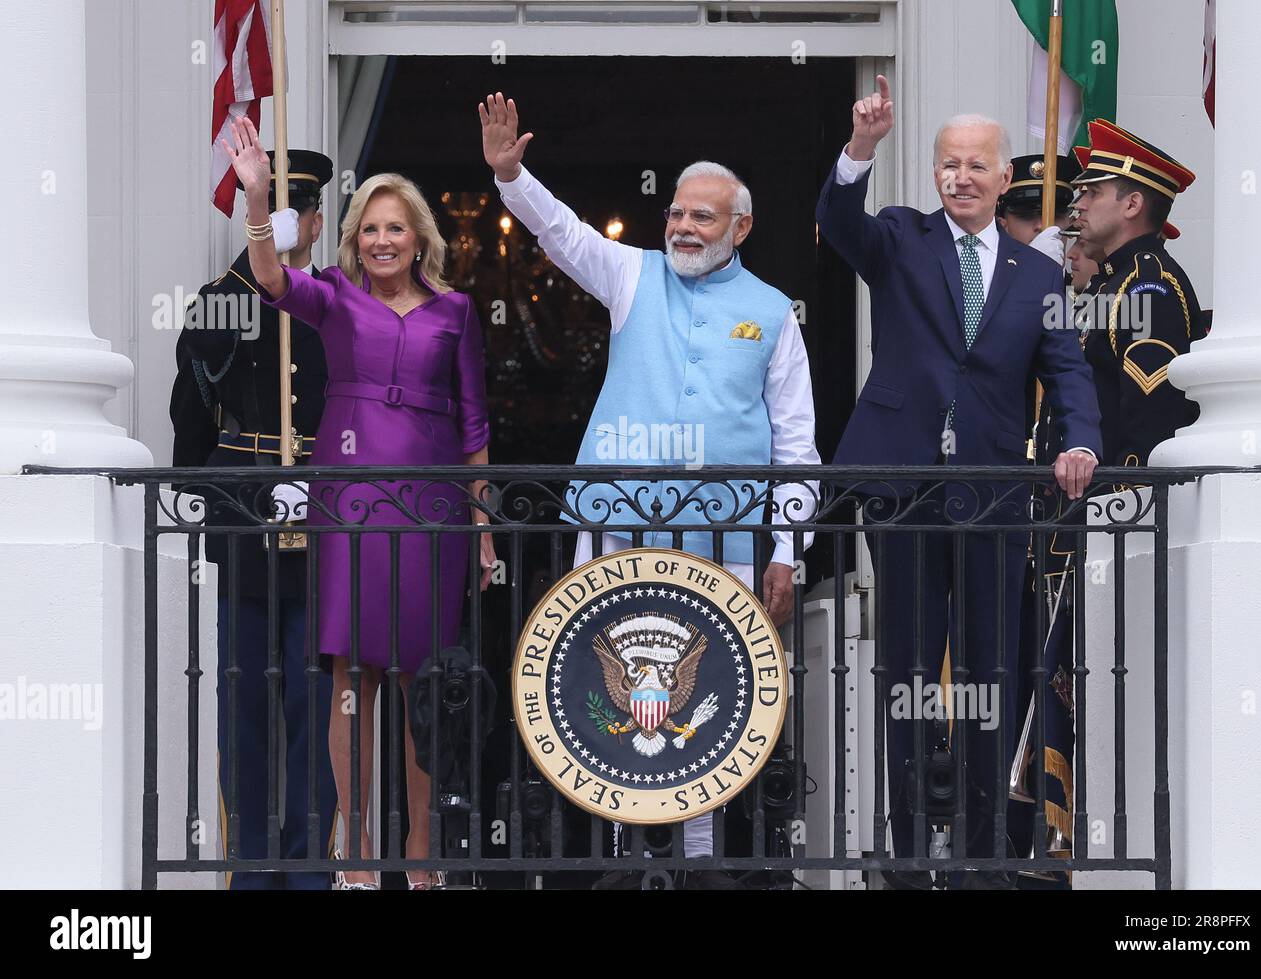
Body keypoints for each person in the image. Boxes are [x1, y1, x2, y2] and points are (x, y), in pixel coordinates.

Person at [480, 92, 819, 888]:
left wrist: (788, 552)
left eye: (703, 216)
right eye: (675, 213)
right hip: (621, 533)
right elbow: (559, 231)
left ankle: (696, 865)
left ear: (740, 227)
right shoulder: (633, 273)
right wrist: (509, 176)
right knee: (619, 698)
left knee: (708, 709)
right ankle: (631, 861)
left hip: (726, 544)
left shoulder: (773, 313)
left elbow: (797, 443)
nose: (684, 228)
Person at [815, 75, 1102, 888]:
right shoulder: (900, 237)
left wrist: (1079, 440)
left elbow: (1069, 373)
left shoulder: (1039, 277)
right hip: (903, 485)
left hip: (992, 492)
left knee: (991, 672)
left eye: (978, 165)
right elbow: (838, 222)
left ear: (1004, 178)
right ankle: (907, 855)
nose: (962, 177)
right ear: (935, 171)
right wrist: (860, 148)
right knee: (907, 671)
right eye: (949, 164)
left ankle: (983, 854)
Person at [221, 117, 496, 890]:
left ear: (419, 238)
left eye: (395, 228)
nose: (381, 241)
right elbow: (274, 281)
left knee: (420, 677)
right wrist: (256, 199)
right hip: (349, 498)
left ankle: (421, 852)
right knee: (350, 674)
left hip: (433, 503)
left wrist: (481, 526)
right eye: (369, 228)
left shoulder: (458, 311)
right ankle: (356, 851)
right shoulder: (334, 297)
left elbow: (474, 423)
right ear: (355, 238)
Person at [170, 149, 337, 890]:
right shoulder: (222, 298)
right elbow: (192, 413)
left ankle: (308, 866)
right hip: (244, 512)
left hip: (321, 513)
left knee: (311, 694)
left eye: (297, 207)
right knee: (242, 694)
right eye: (275, 204)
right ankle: (250, 863)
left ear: (319, 220)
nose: (289, 218)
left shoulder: (334, 300)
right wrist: (207, 491)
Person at [1071, 119, 1206, 467]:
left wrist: (1127, 496)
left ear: (1132, 205)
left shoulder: (1149, 285)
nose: (1080, 204)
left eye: (1093, 192)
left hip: (1118, 509)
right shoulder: (1109, 281)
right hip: (1087, 504)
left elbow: (1152, 416)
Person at [996, 152, 1082, 264]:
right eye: (1026, 216)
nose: (1042, 226)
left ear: (1070, 223)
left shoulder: (1089, 280)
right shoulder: (987, 280)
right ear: (1002, 225)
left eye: (1055, 216)